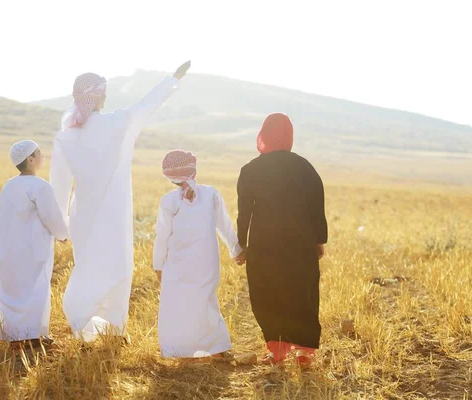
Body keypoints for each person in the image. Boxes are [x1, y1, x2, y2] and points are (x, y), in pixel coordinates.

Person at [50, 61, 191, 341]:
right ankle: (111, 327)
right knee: (118, 269)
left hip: (83, 217)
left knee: (87, 266)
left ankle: (91, 325)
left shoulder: (65, 136)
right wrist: (173, 79)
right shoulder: (119, 123)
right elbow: (146, 105)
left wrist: (60, 226)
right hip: (114, 216)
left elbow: (59, 186)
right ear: (100, 96)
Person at [235, 113, 328, 366]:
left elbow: (245, 212)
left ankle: (277, 350)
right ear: (289, 136)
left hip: (265, 243)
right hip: (301, 241)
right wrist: (318, 239)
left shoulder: (250, 170)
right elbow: (316, 206)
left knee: (267, 292)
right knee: (302, 292)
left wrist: (242, 244)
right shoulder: (304, 167)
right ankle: (304, 352)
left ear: (262, 136)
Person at [153, 150, 242, 359]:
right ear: (193, 170)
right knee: (205, 300)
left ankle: (177, 349)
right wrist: (236, 250)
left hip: (177, 263)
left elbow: (162, 236)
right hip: (206, 260)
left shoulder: (169, 201)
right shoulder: (211, 194)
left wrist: (158, 265)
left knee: (178, 303)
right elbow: (225, 226)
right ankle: (216, 348)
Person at [0, 140, 69, 348]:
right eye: (39, 153)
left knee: (12, 290)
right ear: (31, 159)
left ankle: (9, 330)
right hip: (33, 250)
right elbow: (52, 217)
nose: (43, 156)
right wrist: (62, 234)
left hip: (9, 249)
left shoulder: (9, 185)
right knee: (35, 290)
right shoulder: (40, 186)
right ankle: (32, 335)